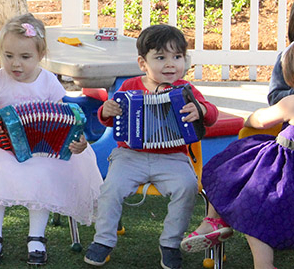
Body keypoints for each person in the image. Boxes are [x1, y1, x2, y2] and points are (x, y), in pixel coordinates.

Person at [0, 13, 103, 266]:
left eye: (25, 57)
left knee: (44, 172)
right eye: (8, 56)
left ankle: (36, 237)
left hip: (39, 149)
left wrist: (77, 142)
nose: (15, 64)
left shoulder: (48, 82)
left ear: (40, 56)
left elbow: (62, 120)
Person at [183, 31, 294, 269]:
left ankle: (221, 226)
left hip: (287, 180)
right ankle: (214, 222)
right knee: (257, 202)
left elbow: (261, 120)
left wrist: (248, 119)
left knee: (233, 171)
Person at [84, 24, 218, 269]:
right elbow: (107, 116)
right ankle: (103, 240)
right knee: (111, 188)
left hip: (173, 158)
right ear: (142, 63)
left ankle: (170, 243)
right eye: (160, 57)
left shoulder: (186, 90)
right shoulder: (129, 88)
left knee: (187, 187)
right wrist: (106, 110)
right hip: (129, 155)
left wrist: (200, 110)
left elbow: (211, 115)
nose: (170, 64)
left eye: (177, 57)